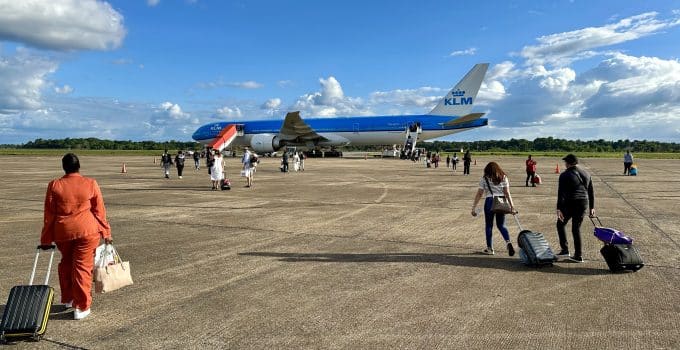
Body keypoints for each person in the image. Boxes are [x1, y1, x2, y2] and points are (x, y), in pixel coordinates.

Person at [40, 153, 112, 320]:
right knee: (82, 267)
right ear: (79, 166)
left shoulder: (55, 185)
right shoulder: (90, 183)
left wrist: (45, 238)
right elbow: (99, 211)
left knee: (66, 263)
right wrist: (106, 232)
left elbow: (49, 214)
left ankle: (69, 298)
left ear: (64, 167)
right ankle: (81, 305)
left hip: (63, 232)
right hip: (87, 231)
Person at [470, 162, 516, 256]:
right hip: (501, 202)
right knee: (501, 225)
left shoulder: (485, 178)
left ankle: (490, 248)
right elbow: (507, 193)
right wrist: (512, 206)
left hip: (490, 201)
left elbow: (479, 193)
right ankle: (508, 242)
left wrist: (474, 207)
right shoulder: (503, 177)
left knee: (489, 225)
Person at [556, 154, 595, 263]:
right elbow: (591, 191)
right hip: (584, 203)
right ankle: (578, 255)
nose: (565, 164)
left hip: (571, 203)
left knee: (560, 224)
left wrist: (559, 208)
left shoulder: (564, 175)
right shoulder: (586, 173)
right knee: (576, 229)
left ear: (569, 163)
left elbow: (561, 193)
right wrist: (592, 207)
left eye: (566, 162)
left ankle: (565, 249)